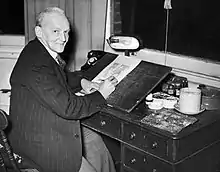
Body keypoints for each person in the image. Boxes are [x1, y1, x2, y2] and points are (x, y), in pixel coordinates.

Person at [8, 7, 118, 172]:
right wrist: (101, 94)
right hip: (41, 145)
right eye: (56, 31)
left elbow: (56, 79)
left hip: (39, 126)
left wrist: (82, 81)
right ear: (39, 32)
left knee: (94, 140)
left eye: (66, 32)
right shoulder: (38, 65)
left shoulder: (36, 49)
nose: (63, 38)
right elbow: (69, 108)